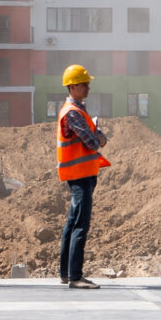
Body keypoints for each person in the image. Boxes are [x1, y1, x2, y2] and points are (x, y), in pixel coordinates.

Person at [55, 62, 108, 288]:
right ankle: (75, 277)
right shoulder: (73, 113)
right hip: (80, 175)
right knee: (80, 224)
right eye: (84, 84)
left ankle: (66, 274)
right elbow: (93, 141)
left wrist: (96, 135)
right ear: (72, 87)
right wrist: (99, 138)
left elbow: (91, 136)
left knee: (71, 223)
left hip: (81, 173)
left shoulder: (78, 111)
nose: (88, 87)